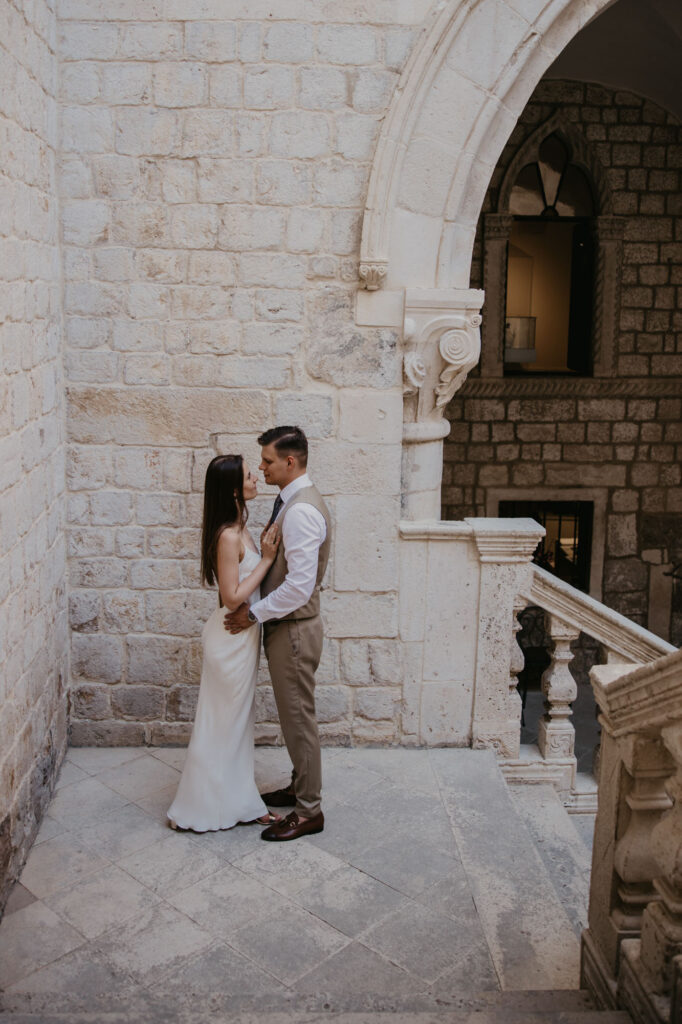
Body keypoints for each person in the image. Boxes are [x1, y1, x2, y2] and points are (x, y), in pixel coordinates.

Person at [224, 426, 331, 842]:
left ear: (290, 461)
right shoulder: (291, 501)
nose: (262, 468)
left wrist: (255, 615)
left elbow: (299, 586)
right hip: (288, 627)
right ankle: (299, 785)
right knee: (293, 717)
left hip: (294, 630)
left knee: (298, 719)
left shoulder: (301, 511)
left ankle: (309, 811)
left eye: (267, 461)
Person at [167, 454, 281, 832]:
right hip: (230, 639)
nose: (256, 478)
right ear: (234, 489)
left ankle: (239, 799)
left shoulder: (240, 527)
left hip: (242, 638)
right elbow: (232, 598)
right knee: (222, 725)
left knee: (236, 725)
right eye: (249, 475)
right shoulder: (230, 536)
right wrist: (266, 560)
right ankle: (199, 807)